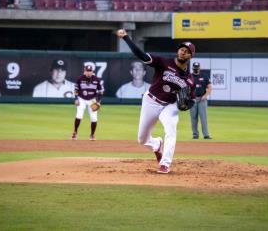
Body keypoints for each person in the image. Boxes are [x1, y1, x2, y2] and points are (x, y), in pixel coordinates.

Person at [116, 29, 195, 174]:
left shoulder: (189, 79)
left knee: (171, 131)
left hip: (170, 106)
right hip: (151, 101)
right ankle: (156, 144)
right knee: (142, 139)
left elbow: (192, 98)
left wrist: (187, 104)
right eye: (181, 49)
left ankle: (165, 164)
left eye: (186, 51)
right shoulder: (164, 62)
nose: (183, 52)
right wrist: (126, 38)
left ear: (190, 56)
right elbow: (142, 55)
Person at [71, 64, 104, 141]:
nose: (89, 72)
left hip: (92, 100)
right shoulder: (80, 78)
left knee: (94, 118)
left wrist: (98, 102)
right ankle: (75, 132)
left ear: (92, 71)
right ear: (84, 71)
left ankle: (92, 135)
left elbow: (101, 92)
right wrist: (76, 99)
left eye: (90, 71)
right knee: (79, 115)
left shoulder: (96, 79)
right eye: (87, 71)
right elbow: (76, 90)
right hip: (81, 99)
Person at [189, 62, 212, 140]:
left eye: (197, 68)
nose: (196, 69)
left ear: (199, 68)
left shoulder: (204, 76)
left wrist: (205, 96)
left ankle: (206, 135)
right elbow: (185, 88)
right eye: (194, 68)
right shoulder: (189, 76)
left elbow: (209, 87)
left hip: (202, 99)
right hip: (192, 99)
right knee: (193, 118)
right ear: (192, 68)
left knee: (203, 117)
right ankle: (195, 135)